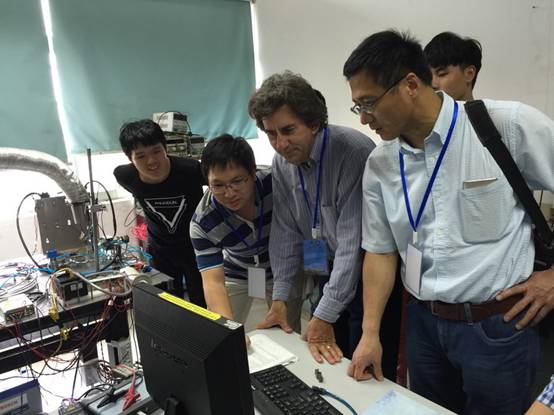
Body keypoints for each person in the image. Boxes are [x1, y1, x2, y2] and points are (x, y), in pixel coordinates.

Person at [343, 30, 554, 414]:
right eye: (358, 106)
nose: (364, 117)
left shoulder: (504, 126)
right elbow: (380, 250)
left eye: (369, 103)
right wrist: (370, 333)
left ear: (410, 85)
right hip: (423, 324)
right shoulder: (381, 163)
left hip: (496, 325)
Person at [249, 71, 402, 375]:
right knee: (331, 359)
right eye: (271, 134)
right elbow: (285, 231)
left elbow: (351, 245)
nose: (280, 143)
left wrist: (324, 314)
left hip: (370, 272)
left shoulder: (352, 152)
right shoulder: (282, 163)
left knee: (365, 367)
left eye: (288, 130)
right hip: (328, 268)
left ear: (314, 122)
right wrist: (280, 298)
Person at [189, 134, 302, 331]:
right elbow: (214, 283)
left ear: (252, 172)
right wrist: (229, 332)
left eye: (237, 181)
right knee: (220, 329)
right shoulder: (203, 222)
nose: (229, 193)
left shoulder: (276, 183)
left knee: (287, 330)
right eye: (218, 185)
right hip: (238, 271)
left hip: (283, 271)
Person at [114, 119, 206, 306]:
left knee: (202, 304)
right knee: (168, 305)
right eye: (141, 156)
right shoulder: (125, 176)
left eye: (156, 151)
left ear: (165, 148)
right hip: (161, 251)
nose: (151, 161)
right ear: (130, 159)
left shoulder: (192, 170)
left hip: (196, 248)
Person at [423, 31, 482, 101]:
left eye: (441, 74)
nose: (433, 84)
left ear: (469, 74)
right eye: (428, 76)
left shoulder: (491, 107)